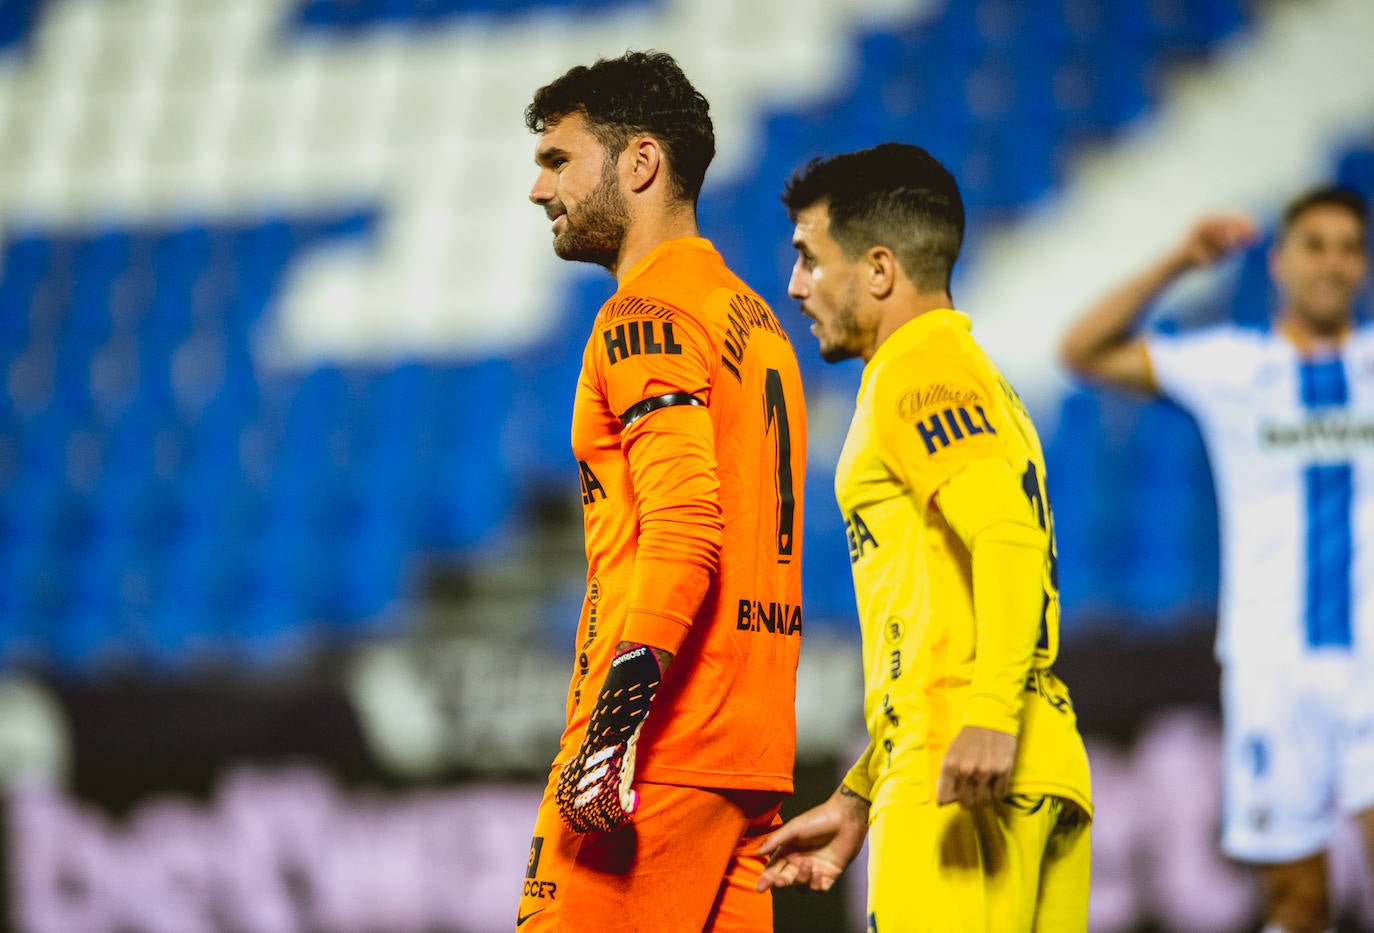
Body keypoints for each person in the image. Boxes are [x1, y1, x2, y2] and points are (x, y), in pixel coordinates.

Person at [756, 143, 1093, 931]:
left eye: (809, 259)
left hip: (961, 772)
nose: (795, 286)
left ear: (878, 269)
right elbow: (951, 602)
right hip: (1031, 757)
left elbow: (1006, 535)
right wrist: (859, 793)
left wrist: (987, 717)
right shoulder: (976, 375)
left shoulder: (915, 370)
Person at [516, 51, 807, 931]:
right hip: (749, 757)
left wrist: (613, 728)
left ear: (640, 163)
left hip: (659, 749)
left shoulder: (645, 314)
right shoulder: (755, 322)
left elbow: (685, 527)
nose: (539, 189)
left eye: (558, 159)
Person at [1059, 187, 1374, 933]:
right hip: (1273, 672)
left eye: (1348, 247)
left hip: (1369, 664)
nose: (1331, 263)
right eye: (1315, 244)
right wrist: (1176, 262)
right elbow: (1085, 350)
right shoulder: (1234, 365)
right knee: (1299, 900)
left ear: (1363, 266)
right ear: (1281, 261)